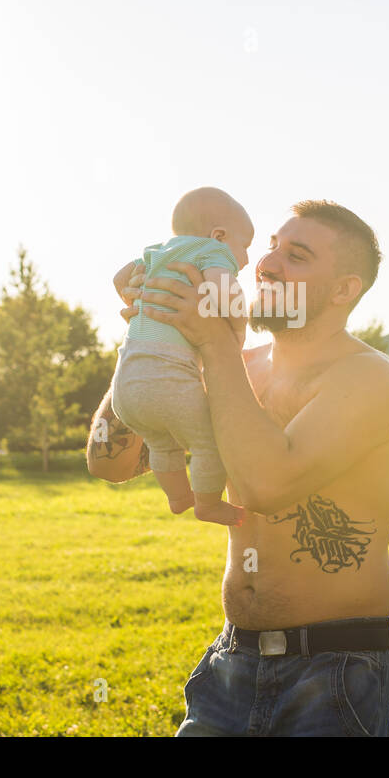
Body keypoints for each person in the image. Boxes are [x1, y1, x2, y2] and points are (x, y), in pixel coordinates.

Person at [87, 199, 389, 737]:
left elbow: (265, 484)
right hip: (231, 662)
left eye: (297, 255)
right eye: (271, 248)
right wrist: (149, 340)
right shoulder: (234, 366)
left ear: (344, 289)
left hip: (335, 670)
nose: (267, 264)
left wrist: (212, 341)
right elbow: (109, 461)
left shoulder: (370, 377)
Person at [108, 186, 253, 526]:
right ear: (219, 235)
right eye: (244, 246)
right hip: (167, 378)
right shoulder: (211, 250)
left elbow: (119, 278)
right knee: (208, 444)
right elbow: (222, 287)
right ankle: (208, 504)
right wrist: (238, 326)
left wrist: (134, 299)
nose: (245, 259)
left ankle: (177, 497)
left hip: (126, 385)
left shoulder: (155, 251)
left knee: (162, 444)